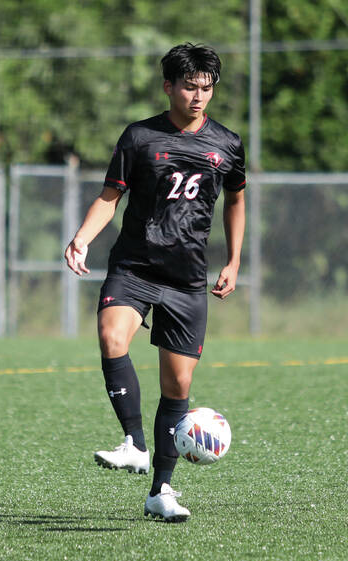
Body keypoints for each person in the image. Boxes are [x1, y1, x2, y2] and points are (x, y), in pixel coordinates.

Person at [64, 43, 245, 522]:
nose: (198, 96)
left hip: (186, 279)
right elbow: (110, 197)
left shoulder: (227, 143)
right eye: (189, 87)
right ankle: (134, 444)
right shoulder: (140, 137)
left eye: (207, 88)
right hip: (135, 266)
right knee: (111, 336)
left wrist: (233, 260)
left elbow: (236, 200)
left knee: (177, 386)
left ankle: (160, 491)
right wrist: (82, 239)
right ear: (168, 87)